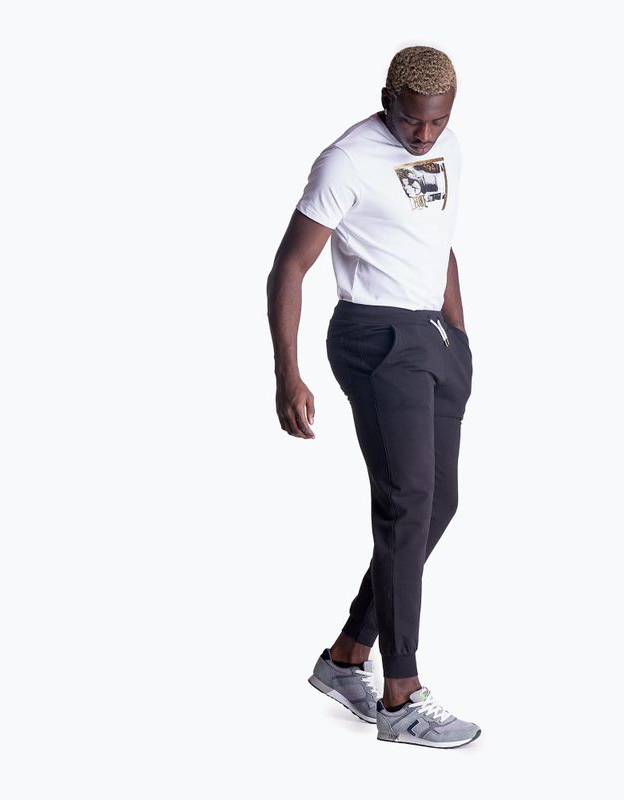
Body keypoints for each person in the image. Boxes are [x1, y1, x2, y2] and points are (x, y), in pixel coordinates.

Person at [266, 45, 480, 749]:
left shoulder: (446, 146)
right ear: (387, 96)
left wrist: (457, 334)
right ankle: (400, 697)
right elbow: (289, 267)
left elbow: (436, 239)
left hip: (433, 339)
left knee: (436, 504)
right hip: (375, 336)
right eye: (413, 120)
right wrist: (288, 373)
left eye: (437, 121)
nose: (424, 134)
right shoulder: (346, 160)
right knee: (406, 503)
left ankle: (345, 657)